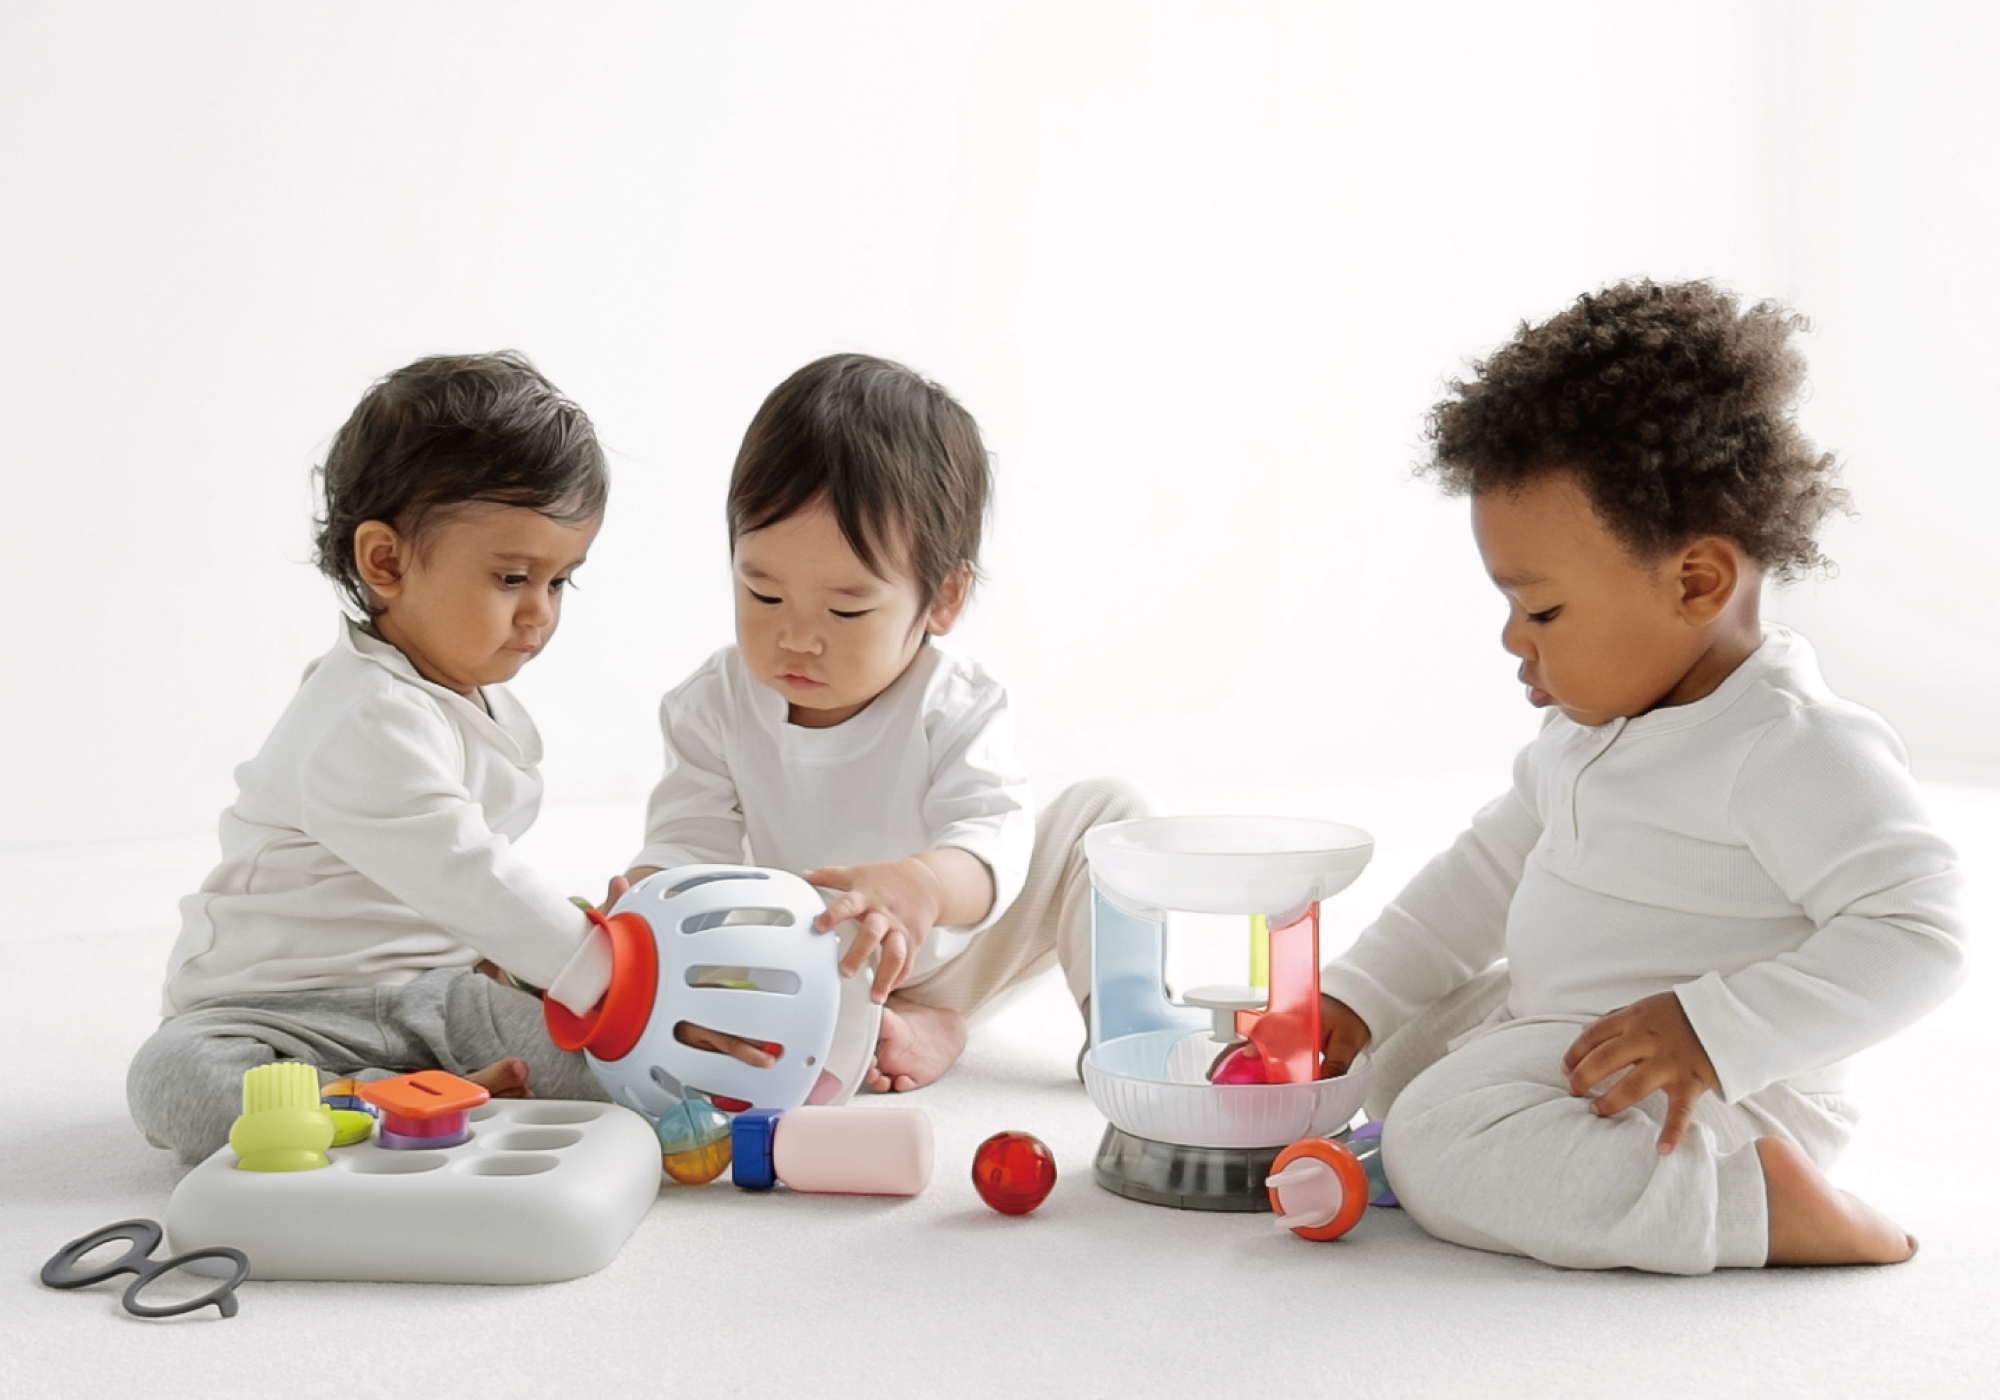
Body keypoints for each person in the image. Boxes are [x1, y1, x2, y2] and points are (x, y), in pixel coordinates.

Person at [1316, 281, 1966, 1273]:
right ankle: (1498, 1141)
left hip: (1716, 1086)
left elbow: (1919, 934)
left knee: (1431, 1134)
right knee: (1394, 1065)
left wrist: (1713, 1029)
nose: (1513, 639)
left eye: (1542, 611)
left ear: (1695, 582)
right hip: (1571, 1021)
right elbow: (1482, 874)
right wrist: (1360, 996)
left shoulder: (1788, 746)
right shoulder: (1590, 723)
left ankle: (1753, 1201)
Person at [128, 352, 618, 1164]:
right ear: (385, 562)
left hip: (436, 1000)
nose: (540, 613)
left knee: (616, 1066)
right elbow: (468, 872)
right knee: (175, 1078)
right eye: (511, 577)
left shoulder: (472, 701)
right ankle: (361, 1098)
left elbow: (477, 906)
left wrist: (572, 988)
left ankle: (409, 1100)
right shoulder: (362, 716)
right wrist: (602, 967)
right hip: (280, 1015)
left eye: (561, 581)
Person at [628, 353, 1144, 1093]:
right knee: (686, 963)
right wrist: (645, 895)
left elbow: (991, 839)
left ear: (943, 598)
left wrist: (924, 884)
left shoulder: (955, 702)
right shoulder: (712, 705)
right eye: (763, 594)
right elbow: (689, 850)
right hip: (810, 968)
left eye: (846, 610)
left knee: (1112, 817)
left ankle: (1124, 1040)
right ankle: (888, 1027)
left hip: (953, 951)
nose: (797, 637)